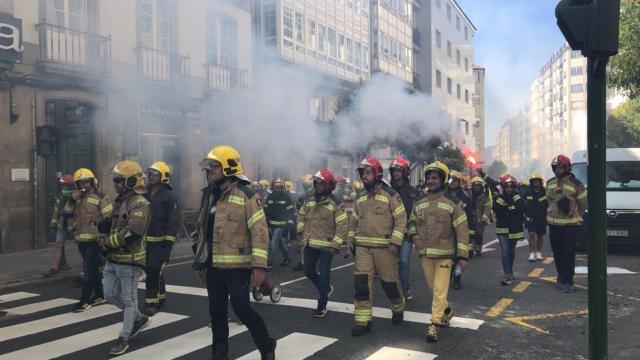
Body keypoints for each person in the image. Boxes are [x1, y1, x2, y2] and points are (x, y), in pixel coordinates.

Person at [192, 145, 275, 359]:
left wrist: (258, 265)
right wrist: (201, 261)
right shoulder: (208, 194)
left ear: (228, 169)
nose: (209, 171)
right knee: (217, 314)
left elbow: (259, 231)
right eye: (208, 167)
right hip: (213, 267)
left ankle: (266, 345)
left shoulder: (247, 194)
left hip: (237, 267)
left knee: (242, 310)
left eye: (214, 167)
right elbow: (202, 230)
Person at [407, 161, 469, 342]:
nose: (431, 181)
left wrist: (463, 256)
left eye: (434, 178)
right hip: (424, 254)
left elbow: (462, 230)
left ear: (443, 180)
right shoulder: (418, 201)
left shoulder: (454, 203)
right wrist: (414, 237)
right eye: (428, 178)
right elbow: (411, 223)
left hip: (445, 255)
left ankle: (434, 325)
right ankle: (446, 311)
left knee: (440, 290)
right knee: (433, 290)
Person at [347, 156, 406, 337]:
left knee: (389, 285)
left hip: (385, 250)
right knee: (361, 284)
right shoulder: (360, 197)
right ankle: (362, 321)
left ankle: (398, 308)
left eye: (368, 172)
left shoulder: (390, 195)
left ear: (377, 173)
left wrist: (396, 242)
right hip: (363, 248)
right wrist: (350, 241)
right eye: (362, 173)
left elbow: (401, 219)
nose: (364, 176)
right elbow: (353, 222)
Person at [98, 160, 151, 356]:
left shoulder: (140, 202)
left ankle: (124, 337)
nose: (115, 184)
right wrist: (102, 226)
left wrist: (108, 242)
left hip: (129, 260)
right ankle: (138, 318)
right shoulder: (118, 201)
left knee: (129, 299)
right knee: (109, 294)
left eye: (119, 180)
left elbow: (134, 231)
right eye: (115, 180)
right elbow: (111, 223)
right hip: (113, 258)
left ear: (131, 181)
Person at [298, 169, 348, 317]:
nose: (317, 186)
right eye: (316, 183)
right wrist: (301, 231)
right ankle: (325, 289)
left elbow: (342, 225)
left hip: (327, 246)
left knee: (325, 274)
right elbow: (301, 216)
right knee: (308, 271)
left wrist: (336, 244)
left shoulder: (335, 203)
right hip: (310, 244)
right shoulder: (309, 200)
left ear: (327, 185)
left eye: (320, 183)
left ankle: (322, 304)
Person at [64, 168, 112, 312]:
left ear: (92, 182)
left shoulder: (101, 197)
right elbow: (66, 214)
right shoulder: (75, 198)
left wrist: (104, 237)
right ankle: (99, 295)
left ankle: (84, 301)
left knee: (88, 271)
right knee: (93, 269)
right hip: (81, 241)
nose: (84, 186)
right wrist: (72, 200)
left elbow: (108, 219)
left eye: (86, 182)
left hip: (96, 241)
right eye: (81, 183)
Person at [143, 161, 180, 316]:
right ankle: (161, 295)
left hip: (160, 242)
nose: (152, 177)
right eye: (151, 174)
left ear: (163, 176)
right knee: (153, 270)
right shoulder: (144, 193)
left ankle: (152, 302)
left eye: (156, 174)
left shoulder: (170, 196)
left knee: (152, 270)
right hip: (145, 243)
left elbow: (173, 222)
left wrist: (168, 244)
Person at [546, 155, 587, 293]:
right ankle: (561, 275)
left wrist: (576, 214)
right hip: (554, 224)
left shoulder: (577, 184)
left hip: (570, 225)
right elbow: (549, 201)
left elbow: (583, 204)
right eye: (555, 168)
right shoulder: (550, 183)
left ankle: (568, 281)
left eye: (560, 167)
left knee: (569, 253)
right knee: (557, 252)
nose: (558, 170)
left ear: (567, 167)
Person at [388, 156, 421, 300]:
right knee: (389, 263)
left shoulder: (414, 192)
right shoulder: (387, 191)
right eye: (394, 170)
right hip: (389, 232)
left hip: (407, 233)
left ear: (405, 172)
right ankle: (394, 288)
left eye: (398, 170)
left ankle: (405, 289)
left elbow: (418, 212)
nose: (395, 173)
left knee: (404, 260)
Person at [491, 174, 525, 286]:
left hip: (514, 229)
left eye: (511, 186)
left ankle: (510, 272)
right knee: (505, 252)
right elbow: (496, 209)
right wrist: (505, 202)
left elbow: (520, 209)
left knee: (511, 252)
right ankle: (508, 275)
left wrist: (511, 203)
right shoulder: (499, 197)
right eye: (506, 186)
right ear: (503, 187)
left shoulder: (517, 197)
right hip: (502, 229)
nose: (509, 188)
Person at [42, 174, 74, 277]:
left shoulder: (76, 196)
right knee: (58, 245)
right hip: (62, 224)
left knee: (83, 246)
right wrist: (53, 224)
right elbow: (56, 211)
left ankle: (92, 266)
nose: (63, 187)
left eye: (64, 185)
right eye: (61, 185)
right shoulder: (60, 196)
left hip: (75, 224)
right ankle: (54, 268)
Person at [447, 170, 474, 290]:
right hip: (446, 231)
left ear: (459, 182)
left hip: (460, 230)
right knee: (448, 257)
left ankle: (457, 279)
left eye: (455, 180)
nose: (452, 182)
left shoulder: (465, 198)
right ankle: (448, 274)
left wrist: (471, 232)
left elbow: (469, 216)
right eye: (451, 180)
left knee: (459, 257)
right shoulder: (443, 195)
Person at [264, 177, 294, 268]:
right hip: (272, 224)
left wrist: (289, 224)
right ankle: (287, 257)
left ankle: (269, 263)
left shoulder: (286, 197)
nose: (278, 188)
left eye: (280, 186)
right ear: (273, 186)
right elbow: (266, 210)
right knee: (279, 242)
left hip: (281, 224)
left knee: (273, 243)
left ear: (283, 187)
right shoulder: (270, 197)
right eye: (276, 186)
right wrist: (266, 222)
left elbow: (290, 211)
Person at [293, 174, 315, 272]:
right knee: (303, 243)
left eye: (306, 184)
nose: (304, 186)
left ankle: (308, 263)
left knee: (312, 243)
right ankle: (303, 262)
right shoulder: (303, 194)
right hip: (304, 221)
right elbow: (298, 207)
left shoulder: (313, 194)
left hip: (313, 222)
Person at [525, 172, 548, 262]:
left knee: (540, 236)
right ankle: (532, 253)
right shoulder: (528, 192)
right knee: (531, 235)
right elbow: (524, 203)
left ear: (540, 182)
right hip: (530, 217)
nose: (535, 183)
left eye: (537, 181)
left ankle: (538, 253)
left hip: (541, 217)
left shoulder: (544, 192)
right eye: (534, 181)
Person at [469, 177, 492, 257]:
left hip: (479, 218)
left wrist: (484, 218)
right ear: (472, 186)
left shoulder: (484, 196)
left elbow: (488, 207)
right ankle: (470, 251)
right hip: (470, 217)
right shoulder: (468, 195)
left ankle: (478, 250)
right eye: (475, 186)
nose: (477, 187)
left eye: (479, 186)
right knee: (470, 234)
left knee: (479, 234)